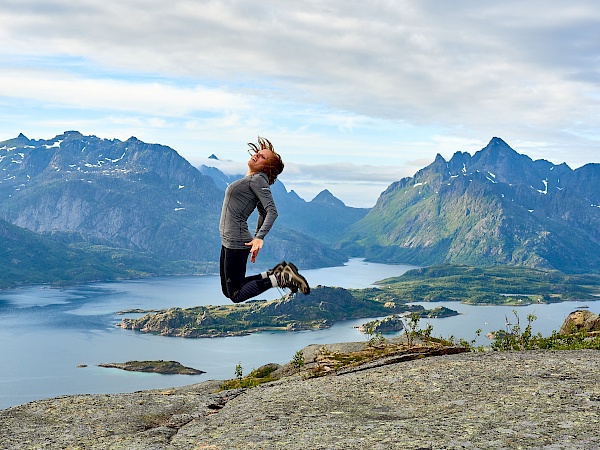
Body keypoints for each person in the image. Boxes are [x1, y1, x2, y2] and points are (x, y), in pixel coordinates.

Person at [219, 136, 310, 303]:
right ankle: (273, 274)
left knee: (236, 294)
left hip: (236, 241)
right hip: (229, 240)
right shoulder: (251, 180)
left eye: (262, 157)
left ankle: (281, 278)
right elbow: (262, 212)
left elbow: (271, 211)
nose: (257, 155)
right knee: (228, 290)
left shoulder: (258, 180)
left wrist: (259, 237)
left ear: (266, 168)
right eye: (258, 153)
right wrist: (255, 238)